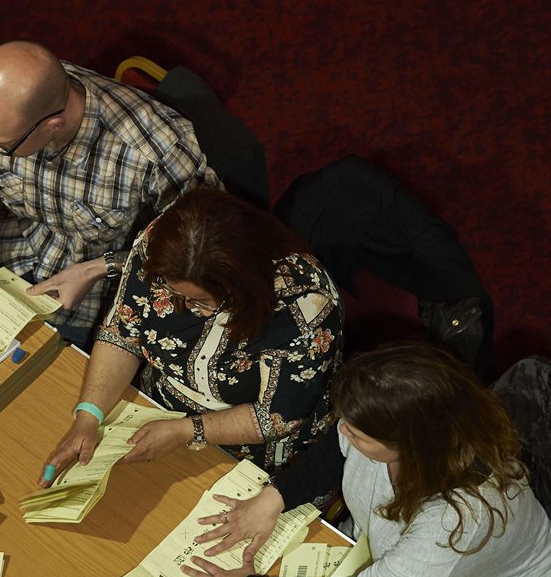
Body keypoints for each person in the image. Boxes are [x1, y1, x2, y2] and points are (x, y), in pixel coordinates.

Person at [179, 342, 551, 577]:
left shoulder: (457, 526)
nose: (346, 433)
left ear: (412, 444)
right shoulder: (407, 425)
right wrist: (274, 498)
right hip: (403, 570)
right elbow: (336, 451)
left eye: (359, 434)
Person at [0, 41, 223, 390]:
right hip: (7, 255)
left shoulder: (154, 147)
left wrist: (99, 267)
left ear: (53, 124)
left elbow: (206, 245)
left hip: (92, 305)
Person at [38, 188, 342, 482]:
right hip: (156, 414)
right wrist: (89, 416)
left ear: (243, 287)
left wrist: (188, 431)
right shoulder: (164, 247)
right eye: (173, 292)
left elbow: (277, 417)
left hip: (250, 450)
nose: (188, 308)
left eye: (202, 301)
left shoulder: (304, 306)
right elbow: (123, 329)